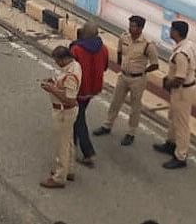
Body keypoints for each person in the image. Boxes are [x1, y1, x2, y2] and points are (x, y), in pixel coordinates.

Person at [94, 15, 158, 145]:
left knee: (135, 107)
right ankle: (107, 125)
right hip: (123, 76)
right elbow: (119, 52)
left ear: (140, 28)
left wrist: (143, 71)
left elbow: (155, 64)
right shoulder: (124, 37)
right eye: (130, 25)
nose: (130, 28)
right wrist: (121, 65)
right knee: (115, 101)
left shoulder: (148, 45)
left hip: (138, 79)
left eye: (133, 26)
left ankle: (131, 132)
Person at [154, 21, 196, 169]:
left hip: (181, 91)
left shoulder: (181, 54)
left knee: (181, 123)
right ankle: (171, 143)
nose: (170, 31)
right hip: (184, 89)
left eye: (172, 30)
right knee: (173, 117)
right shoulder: (190, 46)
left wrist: (167, 84)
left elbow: (179, 78)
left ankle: (181, 155)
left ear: (177, 32)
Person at [40, 46, 81, 188]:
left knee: (61, 145)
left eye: (57, 60)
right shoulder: (74, 66)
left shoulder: (71, 76)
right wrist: (53, 81)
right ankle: (69, 169)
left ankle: (59, 177)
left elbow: (69, 99)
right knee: (68, 141)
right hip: (67, 112)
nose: (56, 63)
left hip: (64, 112)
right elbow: (61, 80)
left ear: (64, 59)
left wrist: (51, 89)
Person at [70, 22, 109, 167]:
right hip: (93, 89)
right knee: (78, 114)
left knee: (78, 118)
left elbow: (70, 69)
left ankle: (88, 152)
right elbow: (105, 67)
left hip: (79, 89)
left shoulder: (77, 49)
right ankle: (72, 141)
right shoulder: (103, 49)